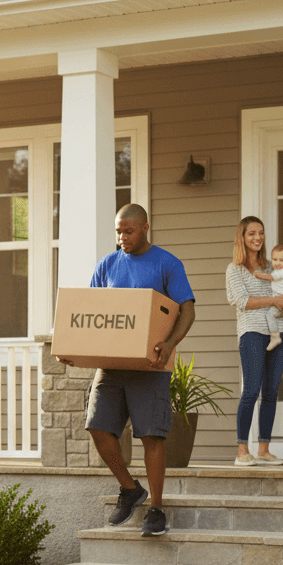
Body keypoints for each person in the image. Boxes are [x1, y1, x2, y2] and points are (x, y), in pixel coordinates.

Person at [70, 204, 195, 537]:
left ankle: (156, 508)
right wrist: (74, 348)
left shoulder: (167, 264)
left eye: (128, 231)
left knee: (151, 436)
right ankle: (129, 489)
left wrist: (169, 344)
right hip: (112, 366)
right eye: (118, 231)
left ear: (145, 228)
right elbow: (92, 313)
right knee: (97, 426)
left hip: (151, 366)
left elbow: (187, 310)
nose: (122, 237)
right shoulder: (107, 266)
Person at [225, 217, 283, 468]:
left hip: (277, 332)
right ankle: (243, 450)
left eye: (261, 233)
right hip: (252, 333)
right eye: (251, 233)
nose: (257, 237)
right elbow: (242, 301)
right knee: (252, 389)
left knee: (272, 391)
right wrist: (274, 301)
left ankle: (263, 449)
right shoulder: (235, 269)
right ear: (242, 237)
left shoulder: (271, 265)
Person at [252, 243, 283, 352]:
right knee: (271, 315)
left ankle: (275, 337)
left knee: (269, 315)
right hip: (281, 300)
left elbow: (270, 277)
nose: (277, 263)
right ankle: (275, 336)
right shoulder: (279, 270)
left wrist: (258, 275)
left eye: (281, 260)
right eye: (274, 260)